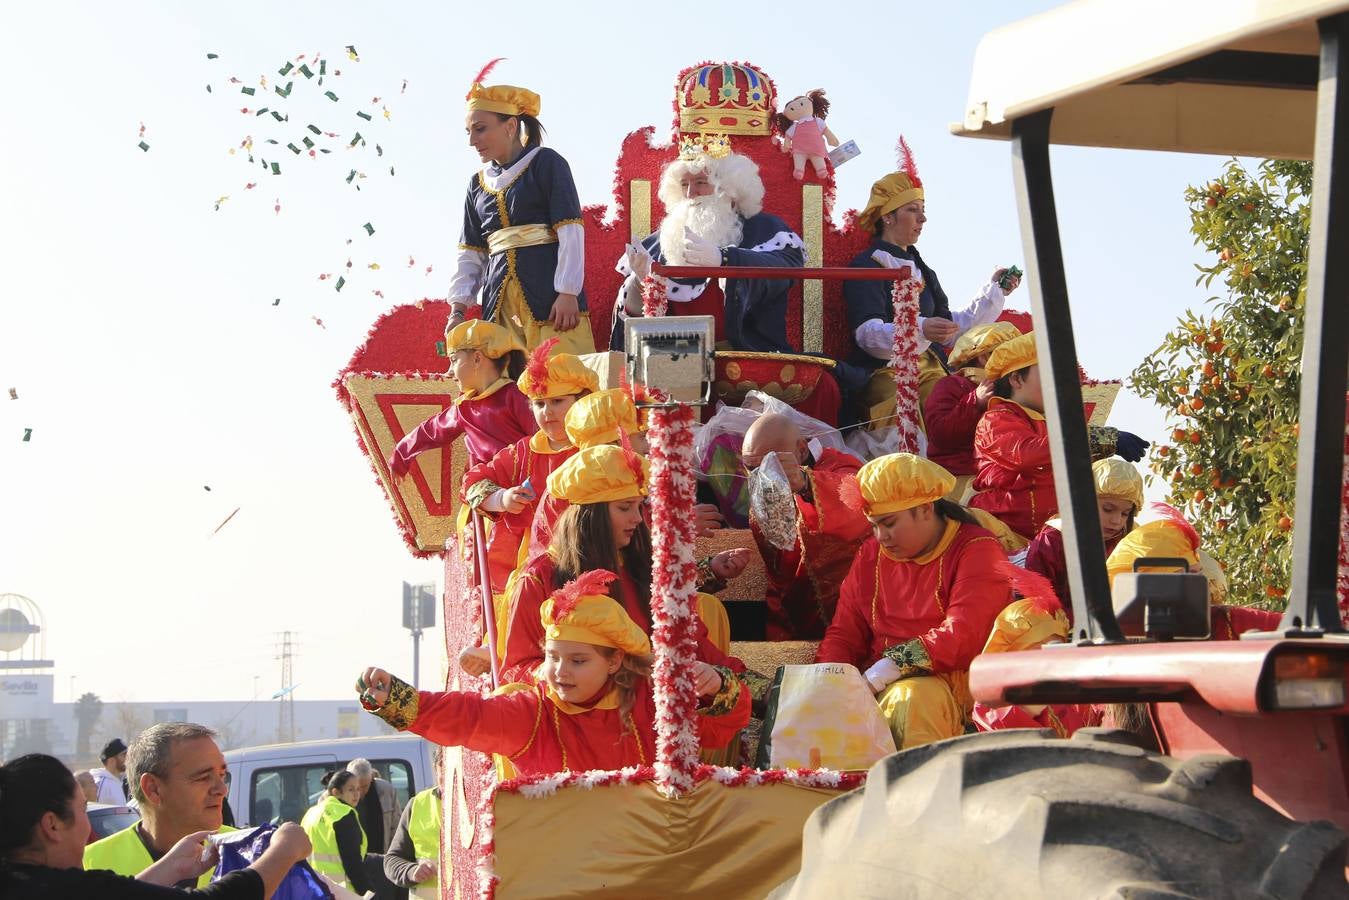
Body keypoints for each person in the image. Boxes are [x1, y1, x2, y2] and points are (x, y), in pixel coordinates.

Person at [358, 571, 750, 775]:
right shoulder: (534, 712)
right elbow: (469, 717)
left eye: (578, 661)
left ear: (614, 662)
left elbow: (724, 724)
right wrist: (396, 700)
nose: (559, 672)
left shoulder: (653, 697)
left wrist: (716, 686)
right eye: (553, 657)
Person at [613, 138, 856, 424]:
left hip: (749, 357)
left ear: (728, 188)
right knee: (640, 397)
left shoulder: (764, 230)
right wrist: (638, 287)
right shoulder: (657, 245)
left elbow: (785, 269)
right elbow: (629, 329)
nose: (691, 193)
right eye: (685, 185)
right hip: (679, 357)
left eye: (701, 183)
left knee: (821, 388)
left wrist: (725, 259)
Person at [499, 444, 744, 685]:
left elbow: (697, 649)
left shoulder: (646, 569)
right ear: (590, 515)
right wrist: (583, 676)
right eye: (625, 507)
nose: (638, 518)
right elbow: (517, 669)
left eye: (640, 506)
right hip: (575, 716)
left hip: (647, 711)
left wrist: (743, 686)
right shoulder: (539, 578)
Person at [816, 453, 1011, 750]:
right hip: (876, 681)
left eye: (889, 523)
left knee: (912, 698)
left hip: (950, 687)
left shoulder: (977, 549)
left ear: (924, 509)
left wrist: (887, 669)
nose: (881, 536)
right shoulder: (871, 554)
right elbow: (845, 632)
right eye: (874, 526)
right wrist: (830, 679)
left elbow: (963, 634)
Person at [845, 149, 1021, 428]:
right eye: (912, 210)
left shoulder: (923, 269)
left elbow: (950, 329)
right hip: (887, 374)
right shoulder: (867, 265)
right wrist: (920, 328)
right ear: (888, 217)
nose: (922, 219)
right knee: (925, 403)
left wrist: (994, 291)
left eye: (923, 211)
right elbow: (867, 335)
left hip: (933, 371)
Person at [1, 753, 313, 900]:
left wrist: (171, 868)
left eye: (222, 775)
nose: (220, 789)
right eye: (82, 809)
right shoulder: (64, 888)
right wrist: (284, 850)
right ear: (51, 825)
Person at [448, 61, 595, 356]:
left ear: (511, 126)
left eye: (480, 129)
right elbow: (471, 252)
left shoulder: (547, 163)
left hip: (551, 303)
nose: (472, 141)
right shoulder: (477, 184)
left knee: (559, 378)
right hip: (499, 305)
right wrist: (458, 308)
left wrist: (567, 292)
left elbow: (570, 229)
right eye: (468, 131)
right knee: (510, 383)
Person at [969, 332, 1142, 543]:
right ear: (1016, 379)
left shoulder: (1054, 425)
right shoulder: (996, 419)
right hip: (1006, 538)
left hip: (1052, 540)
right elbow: (1028, 454)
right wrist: (1098, 439)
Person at [462, 339, 596, 605]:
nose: (547, 412)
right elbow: (472, 482)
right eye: (539, 404)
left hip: (591, 552)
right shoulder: (523, 452)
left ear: (582, 401)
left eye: (557, 401)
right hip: (532, 564)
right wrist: (502, 499)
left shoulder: (598, 447)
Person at [740, 413, 870, 639]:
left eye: (772, 464)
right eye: (752, 468)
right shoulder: (760, 486)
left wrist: (805, 484)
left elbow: (857, 507)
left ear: (801, 449)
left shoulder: (840, 466)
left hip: (850, 608)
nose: (762, 475)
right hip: (791, 610)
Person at [85, 723, 236, 888]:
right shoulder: (91, 863)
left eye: (222, 775)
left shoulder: (246, 849)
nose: (222, 789)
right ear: (153, 788)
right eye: (203, 777)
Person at [389, 319, 535, 476]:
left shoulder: (515, 396)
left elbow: (542, 437)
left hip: (522, 487)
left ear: (477, 359)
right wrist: (400, 454)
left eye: (454, 360)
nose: (449, 371)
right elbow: (430, 430)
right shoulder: (463, 407)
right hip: (484, 488)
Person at [971, 566, 1104, 738]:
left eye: (1055, 646)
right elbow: (1001, 726)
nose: (1049, 656)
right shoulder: (991, 696)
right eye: (1037, 648)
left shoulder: (1074, 687)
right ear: (1013, 652)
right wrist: (1033, 698)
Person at [922, 321, 1022, 499]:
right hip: (958, 481)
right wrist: (975, 402)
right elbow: (940, 433)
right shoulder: (951, 385)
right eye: (1008, 353)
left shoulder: (1015, 388)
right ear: (984, 357)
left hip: (1003, 478)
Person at [1025, 457, 1144, 605]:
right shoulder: (1052, 541)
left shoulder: (1134, 541)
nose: (1116, 520)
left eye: (1125, 513)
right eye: (1108, 509)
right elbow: (1037, 604)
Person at [299, 770, 370, 894]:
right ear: (336, 792)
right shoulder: (344, 814)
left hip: (315, 890)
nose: (356, 794)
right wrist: (369, 893)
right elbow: (353, 864)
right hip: (342, 891)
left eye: (358, 789)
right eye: (351, 789)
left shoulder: (311, 813)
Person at [384, 749, 442, 900]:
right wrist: (412, 871)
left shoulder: (484, 803)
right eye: (445, 766)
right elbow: (392, 860)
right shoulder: (417, 804)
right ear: (437, 768)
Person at [346, 759, 398, 855]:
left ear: (371, 779)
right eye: (356, 787)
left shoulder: (386, 790)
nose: (360, 792)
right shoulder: (335, 795)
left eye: (365, 786)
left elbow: (396, 826)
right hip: (351, 859)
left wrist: (393, 855)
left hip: (381, 857)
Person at [91, 737, 129, 805]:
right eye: (124, 755)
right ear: (111, 761)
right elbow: (94, 813)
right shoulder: (101, 784)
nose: (127, 758)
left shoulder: (117, 781)